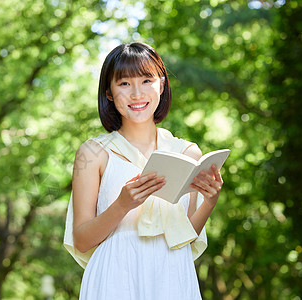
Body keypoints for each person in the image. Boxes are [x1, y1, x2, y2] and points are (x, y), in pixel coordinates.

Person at [63, 42, 224, 299]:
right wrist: (122, 204)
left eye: (147, 80)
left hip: (172, 273)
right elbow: (81, 240)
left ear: (161, 85)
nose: (137, 93)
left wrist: (209, 202)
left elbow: (187, 236)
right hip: (115, 276)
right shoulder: (93, 152)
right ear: (109, 93)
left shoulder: (187, 153)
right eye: (124, 84)